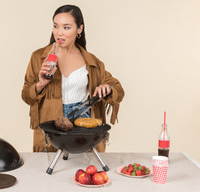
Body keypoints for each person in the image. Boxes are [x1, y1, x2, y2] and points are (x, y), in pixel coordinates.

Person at [22, 5, 124, 152]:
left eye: (66, 27)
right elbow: (26, 96)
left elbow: (118, 90)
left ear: (79, 30)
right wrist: (40, 84)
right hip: (52, 123)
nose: (59, 33)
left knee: (85, 166)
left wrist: (107, 89)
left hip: (84, 123)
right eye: (56, 26)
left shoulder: (91, 62)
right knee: (54, 167)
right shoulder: (38, 58)